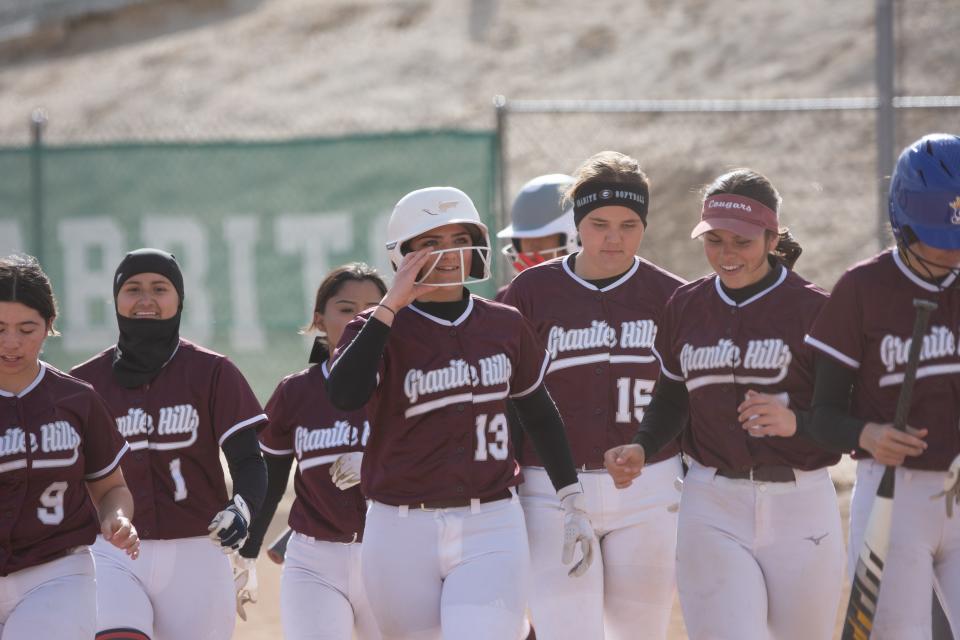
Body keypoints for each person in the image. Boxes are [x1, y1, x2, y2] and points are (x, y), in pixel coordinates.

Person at [326, 186, 593, 640]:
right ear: (402, 253)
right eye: (431, 242)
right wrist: (390, 304)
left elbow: (538, 412)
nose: (449, 254)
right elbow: (345, 395)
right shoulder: (375, 326)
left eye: (459, 240)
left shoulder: (504, 323)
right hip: (399, 526)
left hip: (489, 522)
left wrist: (571, 497)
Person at [605, 169, 845, 640]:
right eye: (714, 240)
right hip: (712, 500)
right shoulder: (687, 304)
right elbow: (672, 395)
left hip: (801, 501)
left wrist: (795, 422)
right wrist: (643, 444)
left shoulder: (814, 309)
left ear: (772, 237)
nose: (726, 255)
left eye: (742, 241)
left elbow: (847, 419)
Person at [501, 151, 685, 639]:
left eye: (629, 224)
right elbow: (503, 398)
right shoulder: (530, 292)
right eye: (598, 223)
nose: (613, 237)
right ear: (577, 223)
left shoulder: (674, 295)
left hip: (649, 486)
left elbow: (689, 396)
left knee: (639, 635)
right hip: (550, 490)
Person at [805, 133, 960, 638]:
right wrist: (866, 434)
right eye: (940, 239)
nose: (952, 254)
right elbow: (821, 415)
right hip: (897, 499)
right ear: (904, 225)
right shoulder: (863, 289)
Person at [70, 248, 267, 640]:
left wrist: (242, 509)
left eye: (160, 288)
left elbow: (248, 460)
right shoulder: (83, 383)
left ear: (179, 299)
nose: (146, 299)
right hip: (112, 550)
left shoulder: (212, 371)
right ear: (116, 299)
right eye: (133, 288)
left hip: (197, 550)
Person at [240, 263, 386, 640]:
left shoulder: (405, 382)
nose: (362, 319)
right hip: (314, 559)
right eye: (347, 309)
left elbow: (434, 461)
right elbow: (270, 480)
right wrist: (248, 550)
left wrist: (374, 467)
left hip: (391, 551)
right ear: (319, 320)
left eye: (374, 307)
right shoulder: (295, 392)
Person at [0, 254, 139, 639]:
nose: (11, 343)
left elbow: (111, 488)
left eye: (26, 329)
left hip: (56, 574)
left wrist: (117, 518)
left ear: (49, 326)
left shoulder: (76, 399)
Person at [494, 174, 578, 300]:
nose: (532, 246)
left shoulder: (600, 292)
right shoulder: (507, 295)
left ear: (577, 237)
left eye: (543, 236)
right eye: (524, 237)